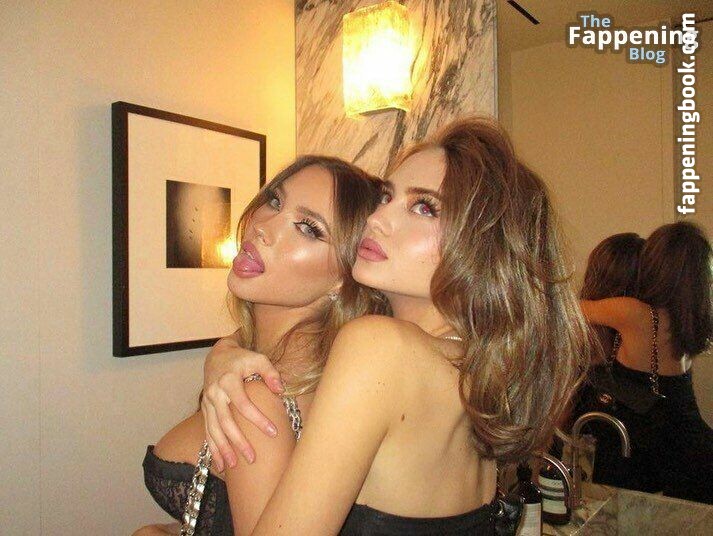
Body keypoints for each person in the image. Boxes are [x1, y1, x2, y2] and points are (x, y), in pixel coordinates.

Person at [200, 116, 595, 534]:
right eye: (387, 196)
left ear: (484, 248)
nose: (377, 218)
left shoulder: (380, 347)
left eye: (424, 207)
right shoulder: (469, 371)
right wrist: (224, 354)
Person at [133, 155, 388, 535]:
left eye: (308, 228)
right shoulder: (303, 373)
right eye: (274, 201)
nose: (264, 227)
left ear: (344, 279)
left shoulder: (257, 400)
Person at [575, 221, 713, 504]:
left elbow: (574, 309)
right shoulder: (692, 317)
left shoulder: (636, 314)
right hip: (692, 439)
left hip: (649, 439)